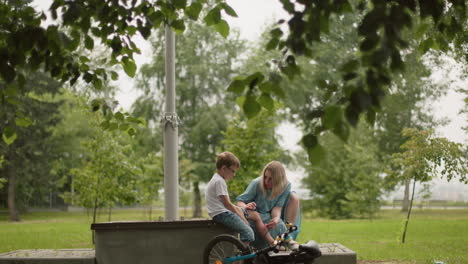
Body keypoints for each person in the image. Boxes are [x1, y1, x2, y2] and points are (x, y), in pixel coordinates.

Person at [237, 161, 301, 249]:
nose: (266, 181)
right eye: (265, 177)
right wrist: (246, 206)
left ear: (279, 179)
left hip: (267, 216)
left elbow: (277, 207)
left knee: (279, 224)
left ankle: (283, 242)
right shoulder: (257, 183)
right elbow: (240, 202)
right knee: (266, 222)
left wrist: (276, 218)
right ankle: (276, 244)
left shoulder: (285, 186)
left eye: (271, 179)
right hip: (254, 216)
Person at [205, 151, 258, 245]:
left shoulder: (217, 179)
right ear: (224, 168)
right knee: (249, 233)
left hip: (221, 212)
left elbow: (225, 203)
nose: (234, 174)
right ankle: (243, 257)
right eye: (233, 171)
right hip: (221, 214)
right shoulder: (219, 181)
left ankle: (245, 252)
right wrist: (244, 220)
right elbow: (227, 204)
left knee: (247, 212)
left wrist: (243, 209)